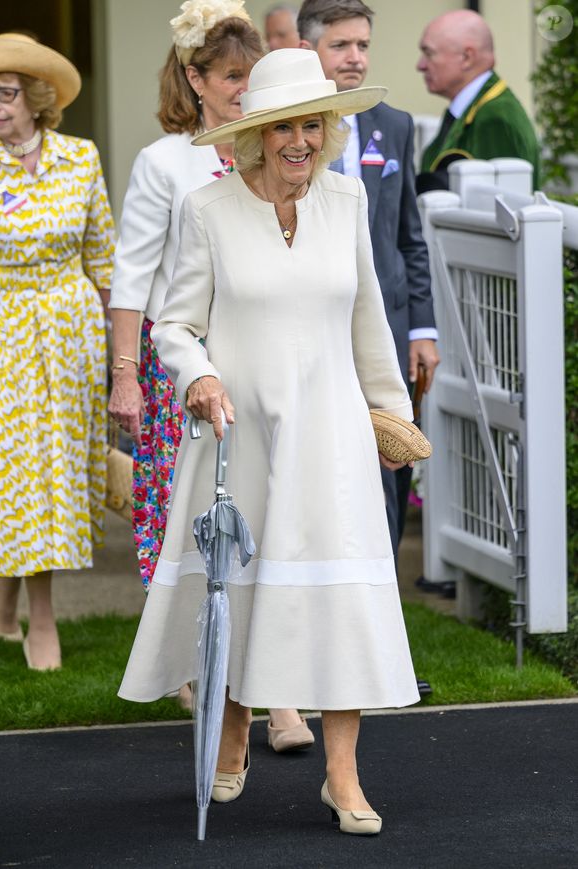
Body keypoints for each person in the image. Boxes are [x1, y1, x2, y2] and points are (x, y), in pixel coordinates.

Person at [119, 47, 420, 836]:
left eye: (313, 124)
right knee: (239, 592)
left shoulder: (349, 202)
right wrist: (197, 376)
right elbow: (175, 324)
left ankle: (344, 775)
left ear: (328, 128)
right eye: (285, 125)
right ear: (256, 135)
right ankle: (231, 731)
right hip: (238, 434)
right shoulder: (209, 211)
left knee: (340, 602)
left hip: (330, 437)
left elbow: (368, 325)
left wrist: (390, 416)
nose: (302, 140)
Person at [108, 1, 311, 749]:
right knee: (201, 533)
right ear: (196, 79)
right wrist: (126, 377)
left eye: (250, 77)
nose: (241, 91)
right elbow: (133, 279)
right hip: (184, 378)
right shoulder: (167, 161)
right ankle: (217, 678)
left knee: (274, 527)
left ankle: (280, 692)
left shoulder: (272, 152)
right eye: (230, 78)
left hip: (264, 370)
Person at [298, 0, 438, 696]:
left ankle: (381, 649)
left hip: (384, 333)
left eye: (363, 45)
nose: (355, 57)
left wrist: (423, 328)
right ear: (309, 48)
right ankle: (318, 638)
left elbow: (409, 234)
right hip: (315, 334)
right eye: (342, 44)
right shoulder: (290, 128)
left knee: (388, 475)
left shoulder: (394, 127)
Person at [0, 34, 114, 670]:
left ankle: (5, 610)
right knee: (18, 475)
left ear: (37, 99)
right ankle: (40, 618)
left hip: (71, 335)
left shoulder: (79, 157)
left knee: (57, 474)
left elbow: (102, 258)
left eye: (6, 93)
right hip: (5, 333)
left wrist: (117, 358)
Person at [416, 8, 541, 192]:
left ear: (467, 57)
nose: (420, 65)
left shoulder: (496, 118)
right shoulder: (474, 109)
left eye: (429, 53)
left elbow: (499, 208)